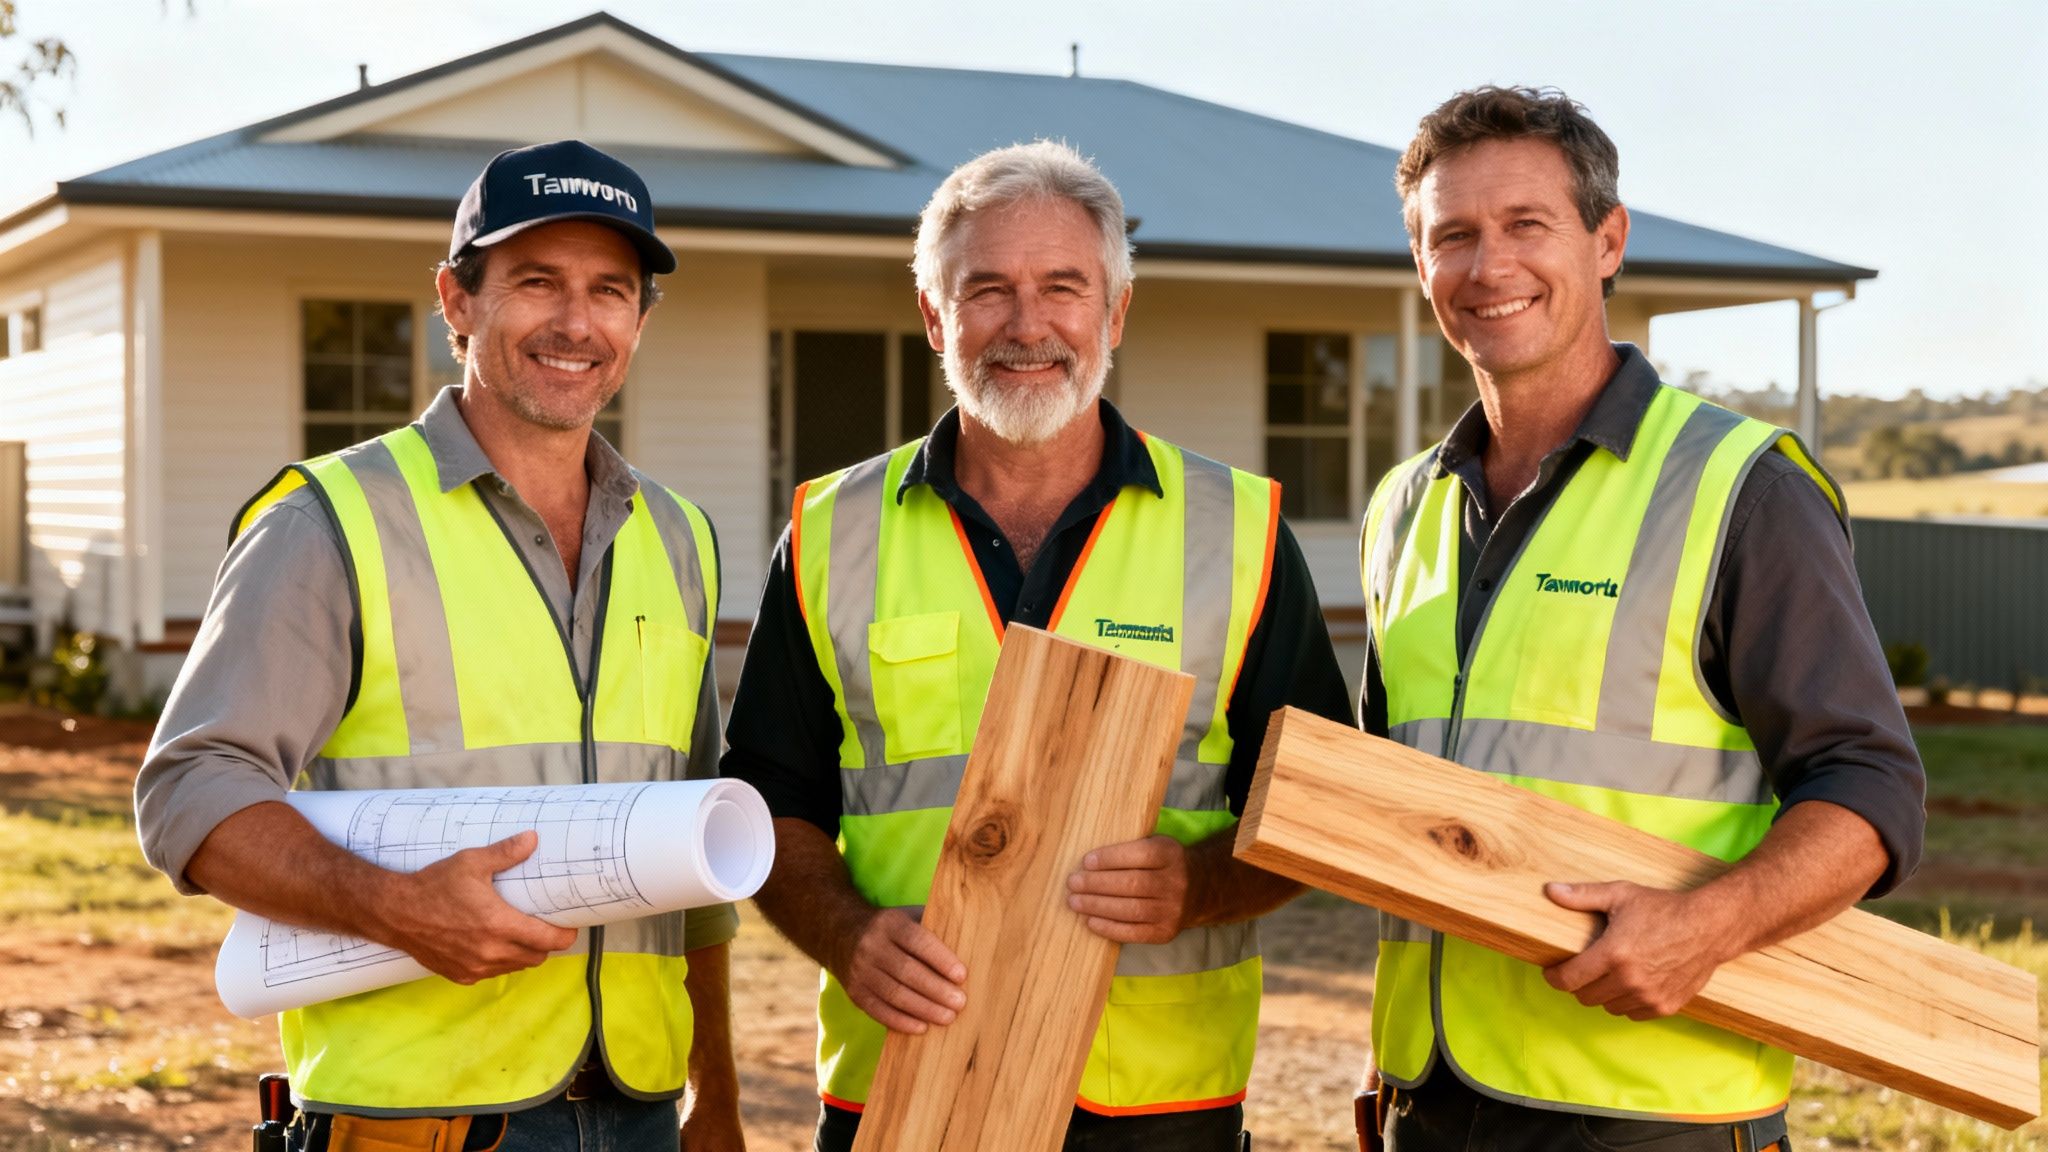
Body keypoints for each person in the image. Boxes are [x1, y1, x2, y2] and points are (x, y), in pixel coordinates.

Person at [721, 140, 1354, 1152]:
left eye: (1063, 286)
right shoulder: (829, 532)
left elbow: (1320, 810)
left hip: (1156, 1109)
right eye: (986, 291)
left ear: (1114, 311)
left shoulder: (1235, 532)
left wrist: (1201, 886)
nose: (1027, 326)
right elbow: (768, 801)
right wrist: (845, 936)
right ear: (934, 316)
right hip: (906, 1093)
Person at [135, 140, 744, 1152]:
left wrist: (712, 1096)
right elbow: (191, 790)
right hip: (418, 1121)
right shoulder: (329, 519)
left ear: (640, 320)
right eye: (535, 282)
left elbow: (697, 849)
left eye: (609, 290)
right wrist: (390, 905)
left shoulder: (676, 538)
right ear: (455, 302)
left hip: (641, 1117)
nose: (575, 322)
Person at [1356, 87, 1926, 1152]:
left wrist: (1703, 927)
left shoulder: (1737, 486)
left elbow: (1867, 788)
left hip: (1653, 1111)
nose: (1488, 268)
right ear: (1420, 263)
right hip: (1429, 1103)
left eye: (1526, 225)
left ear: (1605, 240)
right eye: (1453, 237)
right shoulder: (1402, 509)